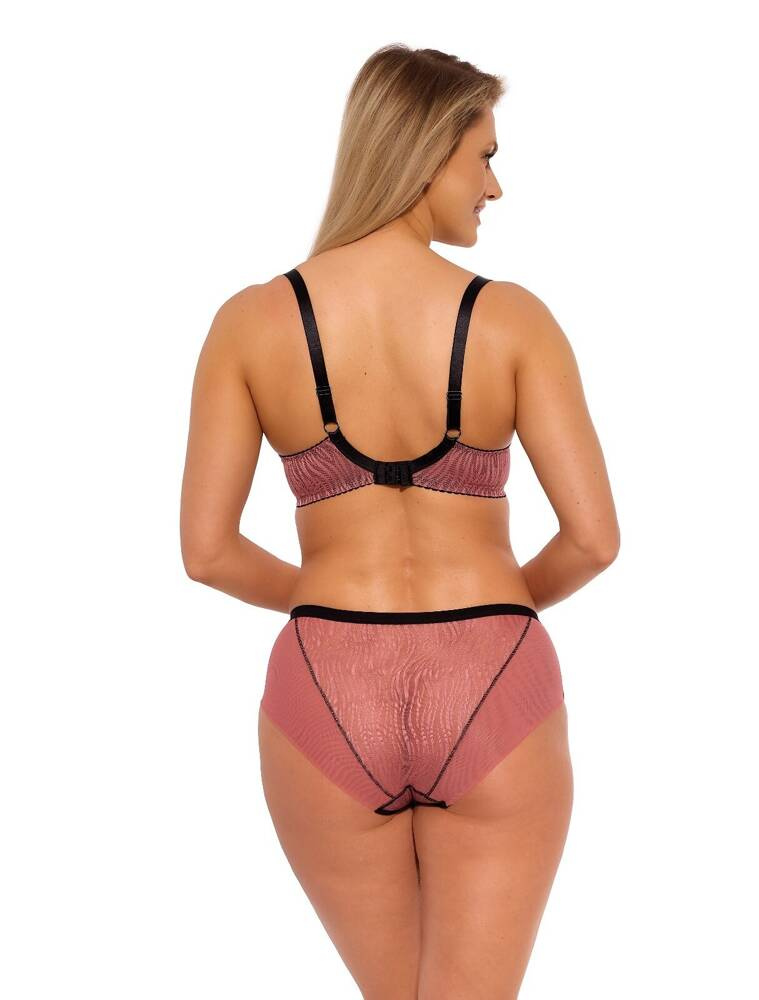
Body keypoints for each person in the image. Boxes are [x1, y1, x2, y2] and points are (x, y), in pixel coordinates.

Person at [180, 43, 619, 1000]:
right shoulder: (511, 320)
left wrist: (331, 604)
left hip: (326, 681)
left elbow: (206, 553)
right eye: (484, 157)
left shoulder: (249, 323)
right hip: (488, 674)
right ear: (425, 151)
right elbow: (593, 538)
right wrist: (492, 611)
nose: (494, 187)